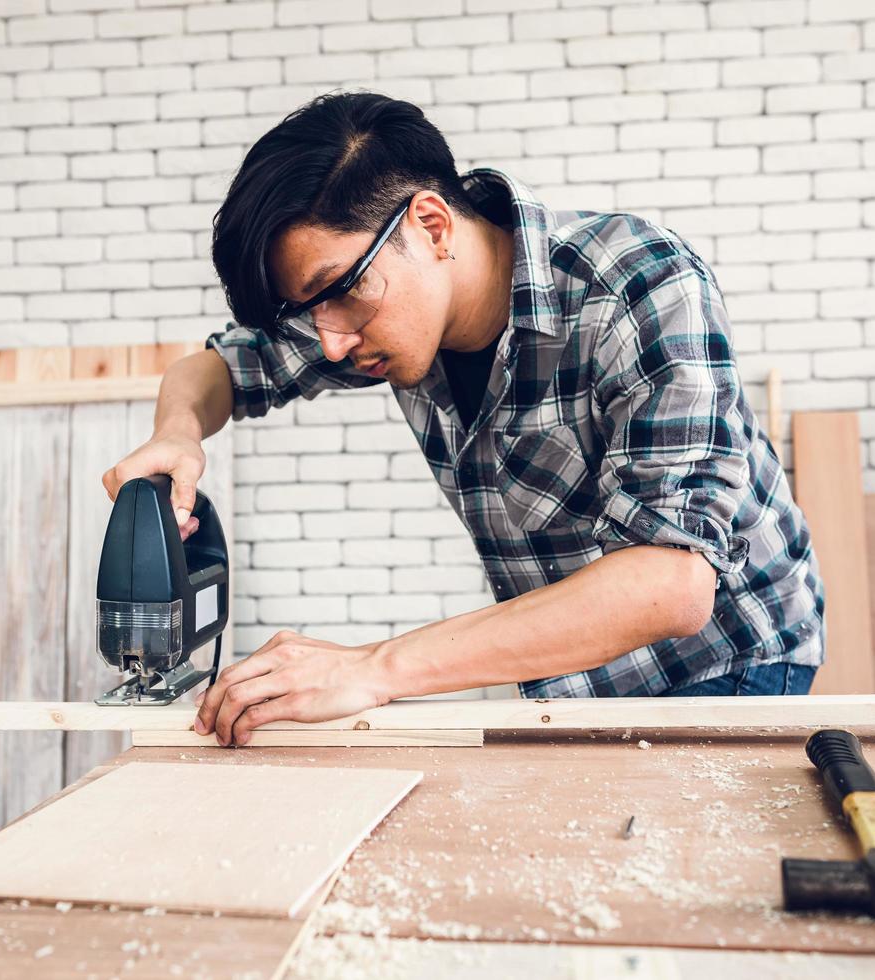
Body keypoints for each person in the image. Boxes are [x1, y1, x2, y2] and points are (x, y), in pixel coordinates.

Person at [102, 92, 824, 747]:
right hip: (569, 677)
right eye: (306, 311)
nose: (328, 342)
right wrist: (177, 435)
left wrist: (375, 669)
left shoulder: (637, 284)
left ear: (431, 223)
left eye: (339, 293)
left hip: (726, 659)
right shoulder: (373, 310)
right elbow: (216, 370)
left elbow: (671, 585)